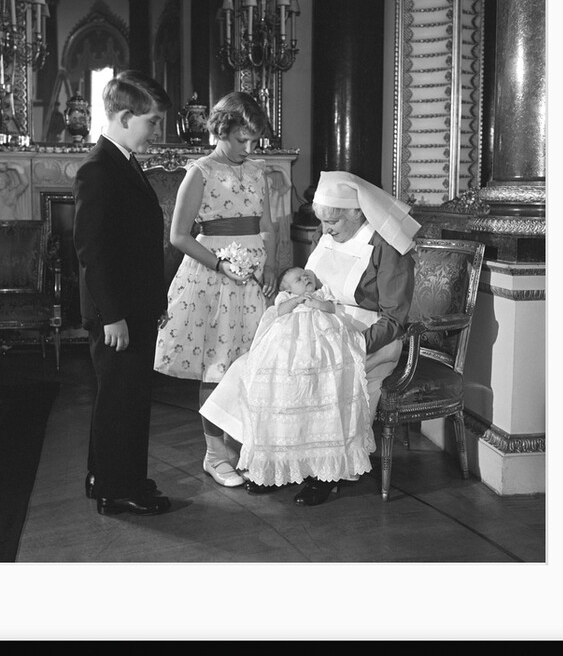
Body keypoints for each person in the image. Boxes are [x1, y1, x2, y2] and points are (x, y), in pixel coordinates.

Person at [200, 170, 420, 506]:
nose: (325, 230)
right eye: (323, 222)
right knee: (259, 368)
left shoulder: (386, 246)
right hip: (316, 325)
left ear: (356, 212)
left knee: (320, 375)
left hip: (366, 332)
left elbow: (394, 319)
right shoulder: (328, 232)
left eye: (332, 222)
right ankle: (280, 464)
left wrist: (352, 341)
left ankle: (326, 472)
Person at [153, 91, 278, 488]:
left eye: (254, 140)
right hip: (214, 278)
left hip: (255, 279)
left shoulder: (259, 171)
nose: (249, 147)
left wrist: (271, 263)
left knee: (251, 367)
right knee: (217, 366)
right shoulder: (201, 172)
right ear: (221, 130)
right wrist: (221, 264)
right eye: (242, 139)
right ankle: (214, 454)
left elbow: (268, 226)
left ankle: (242, 447)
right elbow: (178, 236)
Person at [73, 70, 173, 516]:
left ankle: (109, 476)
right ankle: (118, 490)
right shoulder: (98, 169)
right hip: (117, 312)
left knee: (125, 397)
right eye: (152, 122)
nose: (156, 132)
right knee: (121, 400)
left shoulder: (124, 161)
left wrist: (155, 301)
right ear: (126, 116)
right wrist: (112, 314)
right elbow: (91, 250)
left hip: (134, 305)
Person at [199, 266, 373, 501]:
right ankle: (274, 469)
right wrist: (298, 300)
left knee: (319, 382)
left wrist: (319, 304)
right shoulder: (287, 299)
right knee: (275, 386)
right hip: (289, 345)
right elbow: (279, 312)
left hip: (320, 344)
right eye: (298, 280)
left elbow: (332, 308)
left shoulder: (321, 295)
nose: (305, 278)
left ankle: (324, 472)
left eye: (306, 276)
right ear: (286, 289)